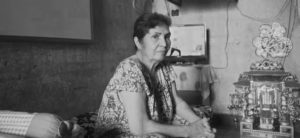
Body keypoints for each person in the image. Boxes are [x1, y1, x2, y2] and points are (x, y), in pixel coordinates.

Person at [95, 12, 216, 138]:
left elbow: (177, 103)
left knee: (198, 121)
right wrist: (188, 131)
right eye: (155, 37)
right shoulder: (129, 69)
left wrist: (198, 124)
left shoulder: (164, 66)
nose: (165, 44)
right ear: (138, 42)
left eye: (167, 36)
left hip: (150, 122)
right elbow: (139, 127)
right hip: (122, 132)